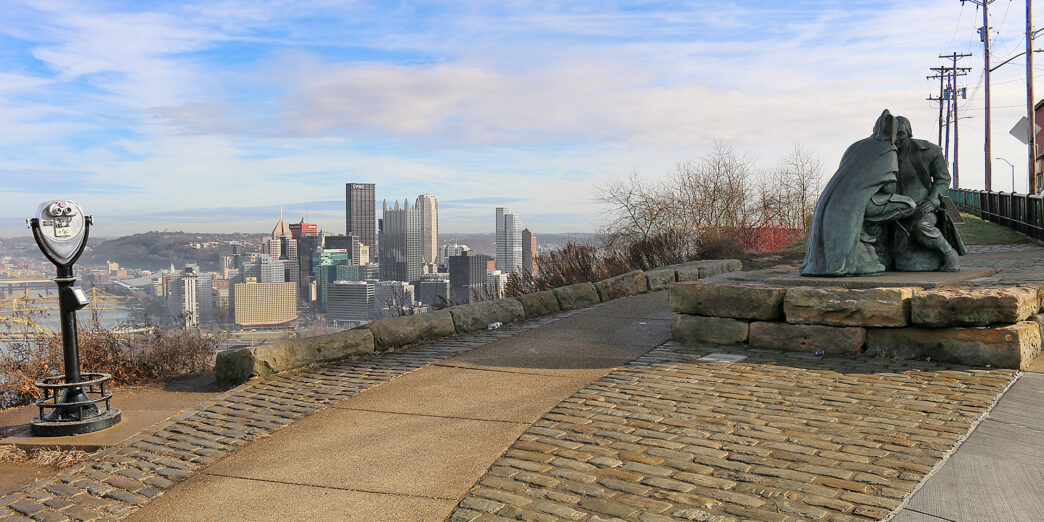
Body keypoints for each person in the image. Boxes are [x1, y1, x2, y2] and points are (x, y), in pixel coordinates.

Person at [801, 110, 917, 276]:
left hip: (832, 202)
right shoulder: (888, 148)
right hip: (860, 204)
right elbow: (889, 189)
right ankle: (864, 229)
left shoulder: (855, 146)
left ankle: (865, 232)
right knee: (909, 205)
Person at [892, 116, 966, 271]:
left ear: (909, 133)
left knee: (921, 226)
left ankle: (949, 254)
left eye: (900, 134)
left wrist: (933, 201)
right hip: (893, 208)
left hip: (922, 205)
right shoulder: (884, 154)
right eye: (893, 134)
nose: (896, 139)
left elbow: (943, 178)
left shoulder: (928, 151)